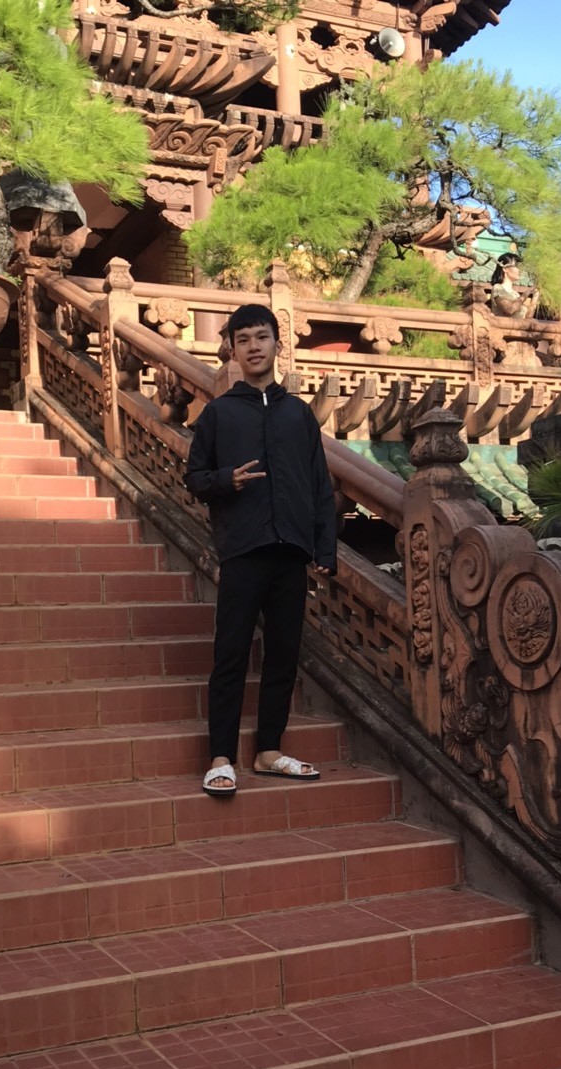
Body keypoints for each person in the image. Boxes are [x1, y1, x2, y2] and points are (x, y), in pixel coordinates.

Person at [185, 303, 337, 797]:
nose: (253, 346)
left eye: (262, 337)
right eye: (244, 338)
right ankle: (221, 757)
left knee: (283, 655)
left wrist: (324, 547)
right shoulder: (219, 413)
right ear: (232, 349)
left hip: (291, 551)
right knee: (230, 654)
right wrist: (225, 480)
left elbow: (319, 484)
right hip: (243, 549)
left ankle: (269, 751)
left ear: (277, 344)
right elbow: (194, 477)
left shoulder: (299, 414)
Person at [490, 251, 540, 319]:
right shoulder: (497, 288)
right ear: (505, 268)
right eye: (516, 266)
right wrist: (527, 292)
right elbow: (509, 310)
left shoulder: (516, 294)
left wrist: (535, 297)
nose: (520, 270)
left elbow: (528, 317)